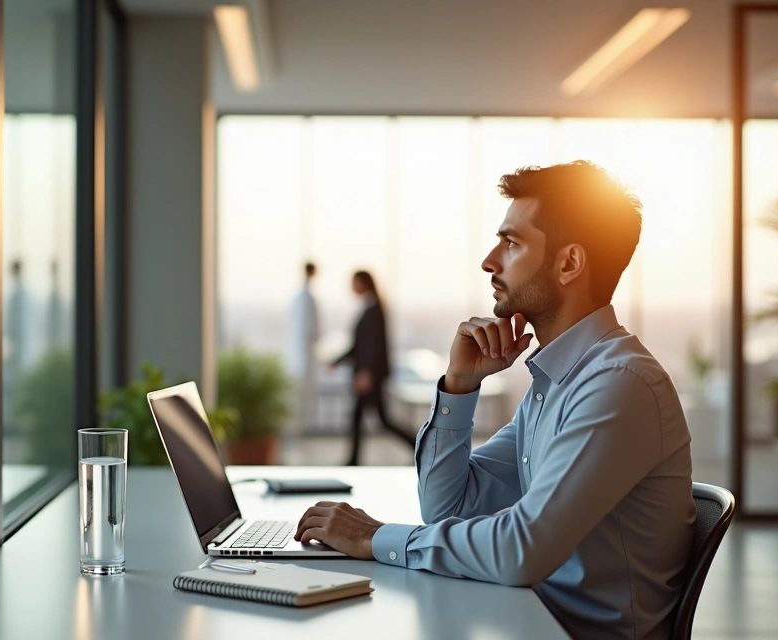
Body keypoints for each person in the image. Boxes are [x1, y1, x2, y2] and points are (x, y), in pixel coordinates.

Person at [293, 162, 695, 639]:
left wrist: (372, 537)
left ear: (568, 264)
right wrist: (459, 385)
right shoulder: (559, 380)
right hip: (531, 619)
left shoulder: (618, 385)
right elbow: (447, 506)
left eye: (512, 243)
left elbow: (521, 549)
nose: (490, 261)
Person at [333, 270, 415, 466]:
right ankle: (353, 460)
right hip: (368, 373)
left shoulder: (374, 309)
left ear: (363, 283)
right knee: (361, 418)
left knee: (382, 420)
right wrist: (337, 361)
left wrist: (366, 373)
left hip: (370, 375)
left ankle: (419, 445)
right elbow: (359, 346)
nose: (351, 287)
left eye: (354, 283)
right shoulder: (370, 307)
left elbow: (373, 346)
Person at [287, 262, 320, 435]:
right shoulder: (306, 299)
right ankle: (299, 429)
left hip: (300, 357)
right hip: (303, 358)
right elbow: (313, 331)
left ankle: (300, 428)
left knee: (300, 398)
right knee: (300, 399)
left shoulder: (299, 298)